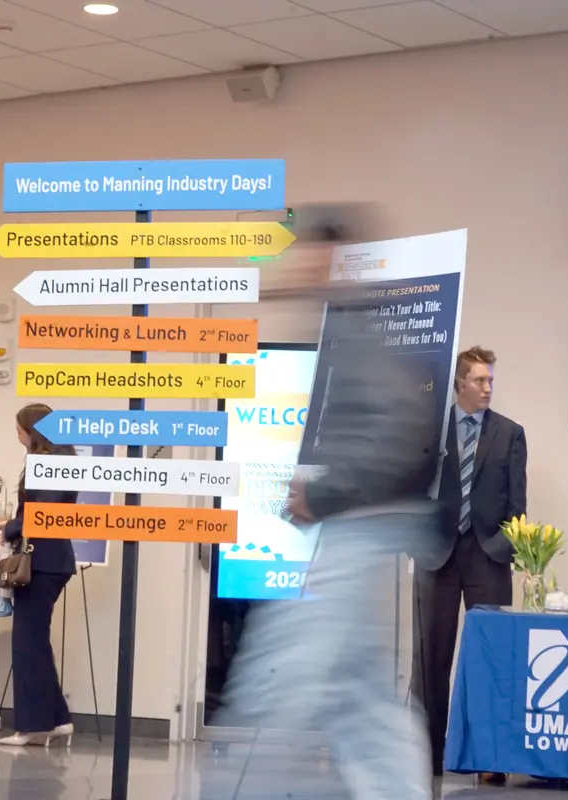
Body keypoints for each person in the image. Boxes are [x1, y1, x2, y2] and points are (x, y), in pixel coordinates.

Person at [215, 207, 441, 800]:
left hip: (361, 528)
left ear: (326, 258)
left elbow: (400, 432)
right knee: (359, 694)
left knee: (283, 675)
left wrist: (322, 492)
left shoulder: (358, 328)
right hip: (361, 523)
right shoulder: (345, 324)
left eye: (301, 255)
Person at [414, 346, 526, 780]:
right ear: (459, 383)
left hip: (487, 556)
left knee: (491, 662)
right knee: (432, 663)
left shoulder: (510, 434)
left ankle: (490, 762)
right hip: (436, 556)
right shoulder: (429, 432)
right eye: (480, 380)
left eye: (491, 380)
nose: (488, 388)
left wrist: (502, 549)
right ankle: (427, 759)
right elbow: (411, 492)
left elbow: (518, 505)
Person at [0, 404, 76, 748]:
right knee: (36, 643)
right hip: (55, 560)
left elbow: (40, 515)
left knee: (27, 644)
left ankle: (31, 726)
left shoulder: (45, 465)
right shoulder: (66, 462)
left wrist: (10, 526)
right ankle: (57, 719)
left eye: (19, 430)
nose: (17, 436)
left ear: (34, 431)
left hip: (40, 561)